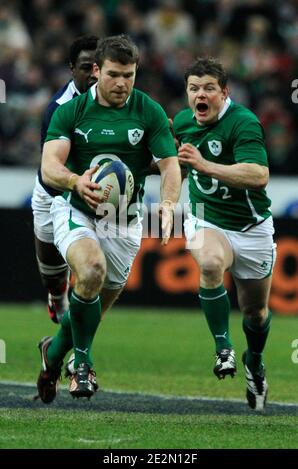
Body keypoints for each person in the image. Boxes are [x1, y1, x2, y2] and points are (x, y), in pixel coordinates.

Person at [36, 34, 181, 403]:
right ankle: (81, 366)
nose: (122, 84)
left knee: (91, 310)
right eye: (114, 74)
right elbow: (49, 165)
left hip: (124, 221)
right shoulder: (71, 111)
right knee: (91, 271)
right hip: (76, 211)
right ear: (97, 70)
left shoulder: (148, 110)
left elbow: (170, 165)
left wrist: (167, 204)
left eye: (129, 75)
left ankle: (52, 357)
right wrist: (74, 180)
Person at [173, 57, 276, 411]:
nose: (200, 95)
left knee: (256, 313)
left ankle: (255, 361)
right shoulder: (183, 122)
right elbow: (174, 164)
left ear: (224, 92)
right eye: (193, 88)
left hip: (251, 228)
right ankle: (223, 349)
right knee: (211, 263)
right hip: (206, 219)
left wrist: (204, 165)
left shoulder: (244, 123)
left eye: (208, 88)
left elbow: (258, 175)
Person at [31, 35, 99, 324]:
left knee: (90, 271)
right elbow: (52, 167)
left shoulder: (123, 100)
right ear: (72, 69)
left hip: (93, 194)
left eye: (99, 66)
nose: (94, 74)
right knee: (51, 274)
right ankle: (56, 296)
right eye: (86, 67)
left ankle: (76, 347)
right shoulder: (59, 108)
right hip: (54, 192)